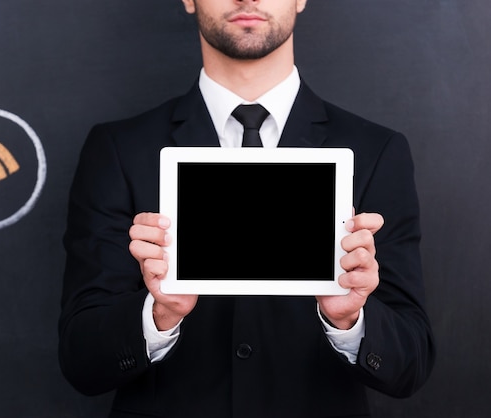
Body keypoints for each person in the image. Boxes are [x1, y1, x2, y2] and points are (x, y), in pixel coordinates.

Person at [58, 0, 436, 416]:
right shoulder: (119, 150)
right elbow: (82, 361)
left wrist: (351, 321)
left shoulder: (377, 151)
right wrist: (158, 315)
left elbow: (411, 364)